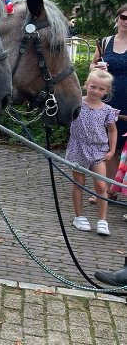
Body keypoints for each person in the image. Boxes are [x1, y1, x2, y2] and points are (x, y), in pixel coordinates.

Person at [66, 68, 118, 235]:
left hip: (98, 150)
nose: (96, 91)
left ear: (107, 91)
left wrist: (112, 150)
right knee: (79, 183)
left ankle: (102, 220)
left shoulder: (107, 110)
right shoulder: (76, 103)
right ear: (86, 85)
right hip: (77, 148)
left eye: (101, 89)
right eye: (93, 86)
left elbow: (112, 130)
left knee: (101, 185)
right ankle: (79, 217)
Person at [91, 3, 127, 219]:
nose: (126, 21)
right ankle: (110, 191)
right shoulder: (106, 42)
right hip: (110, 101)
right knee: (110, 147)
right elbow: (93, 65)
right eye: (124, 16)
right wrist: (97, 68)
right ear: (117, 17)